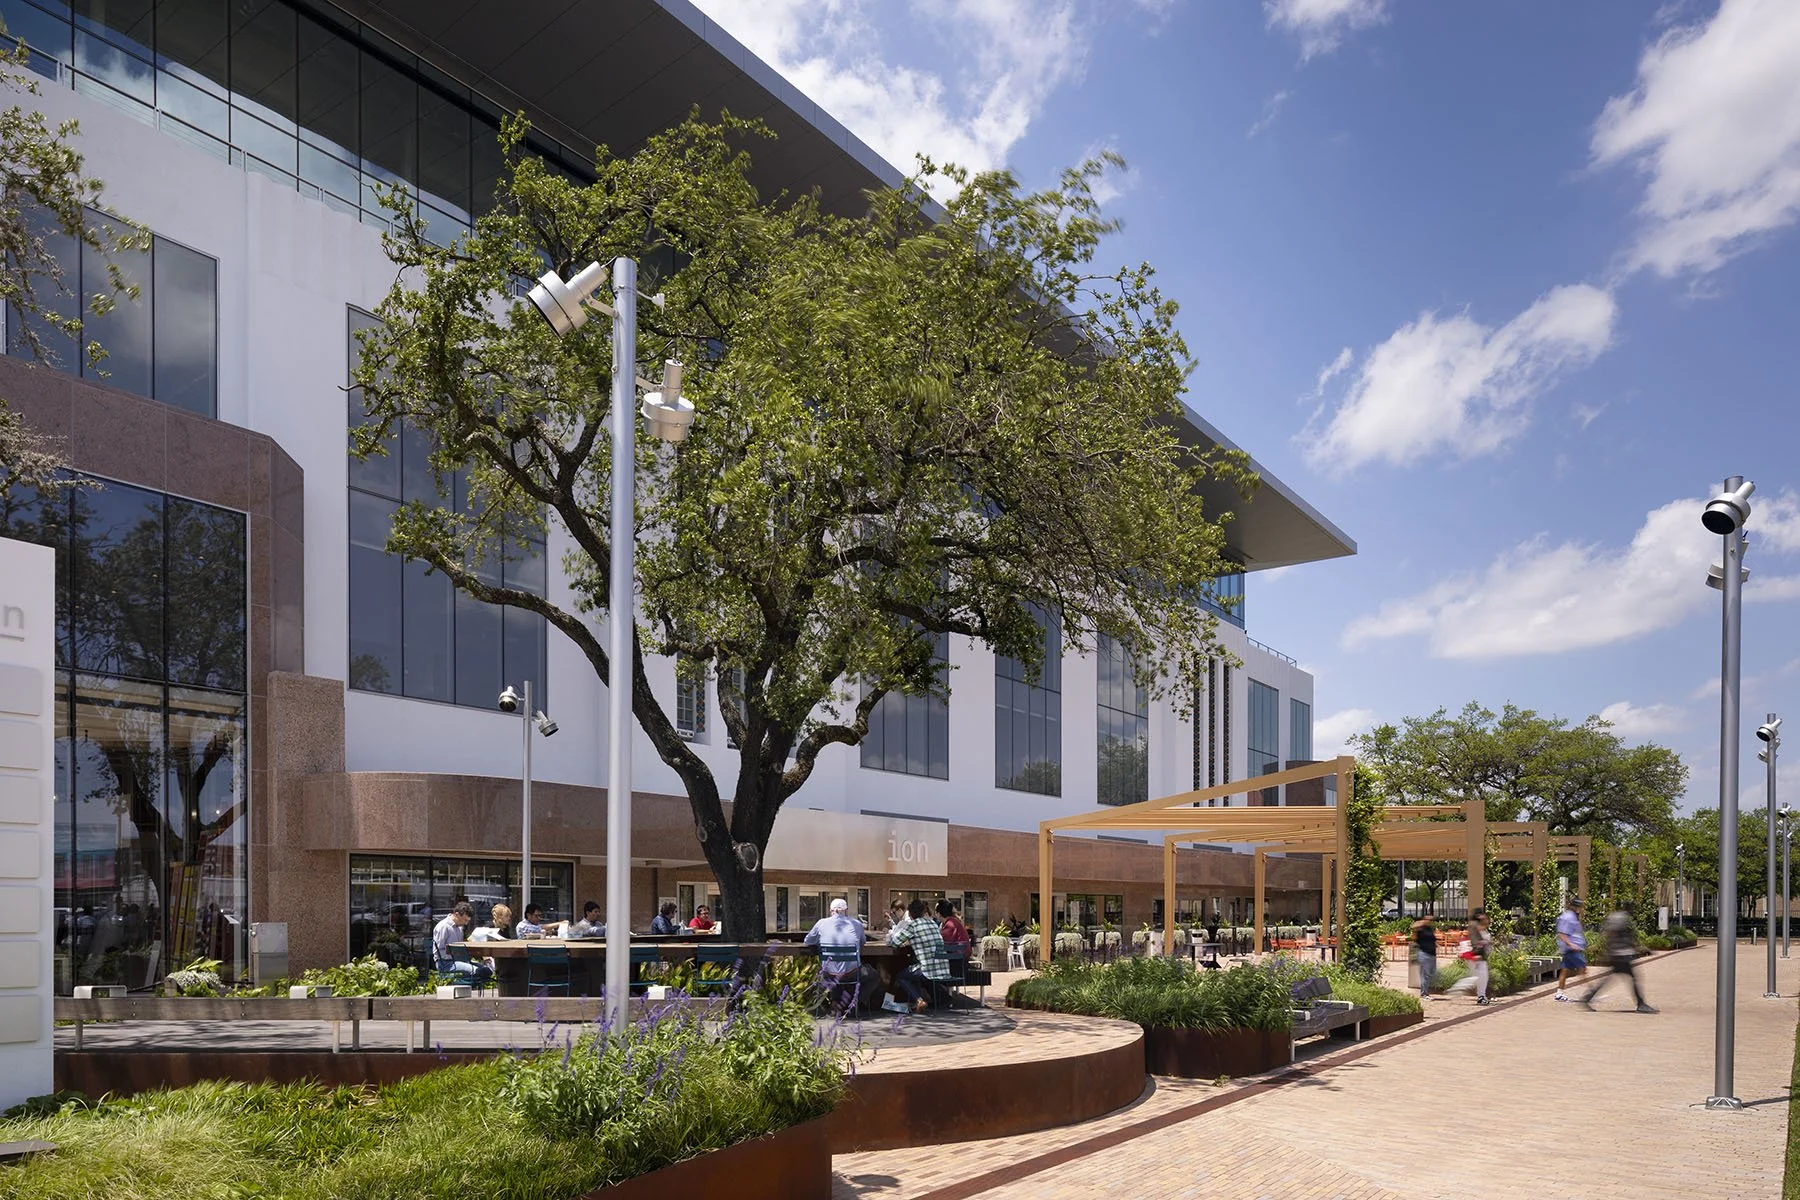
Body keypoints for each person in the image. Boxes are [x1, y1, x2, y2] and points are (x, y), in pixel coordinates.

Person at [1581, 902, 1656, 1013]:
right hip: (1620, 955)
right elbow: (1612, 934)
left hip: (1619, 954)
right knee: (1633, 978)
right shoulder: (1621, 918)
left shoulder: (1618, 917)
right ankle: (1641, 1004)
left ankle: (1587, 998)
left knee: (1609, 979)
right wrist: (1610, 951)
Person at [886, 898, 953, 1013]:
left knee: (901, 976)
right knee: (915, 970)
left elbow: (894, 942)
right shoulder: (932, 923)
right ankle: (938, 999)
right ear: (924, 912)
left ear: (910, 914)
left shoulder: (913, 925)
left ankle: (918, 1000)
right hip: (942, 968)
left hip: (926, 969)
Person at [805, 898, 866, 1010]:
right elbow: (863, 941)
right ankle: (857, 1003)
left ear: (830, 910)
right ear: (846, 910)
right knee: (873, 976)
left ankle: (837, 1004)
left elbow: (808, 941)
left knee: (834, 973)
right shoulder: (857, 924)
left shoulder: (821, 923)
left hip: (828, 973)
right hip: (851, 973)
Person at [431, 902, 493, 985]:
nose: (466, 923)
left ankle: (467, 987)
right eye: (465, 920)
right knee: (477, 971)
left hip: (460, 960)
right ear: (457, 914)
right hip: (446, 963)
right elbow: (439, 950)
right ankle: (463, 987)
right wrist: (456, 955)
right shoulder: (444, 927)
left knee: (487, 970)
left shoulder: (460, 928)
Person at [1555, 897, 1588, 1002]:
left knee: (1565, 971)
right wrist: (1571, 944)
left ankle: (1559, 993)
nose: (1579, 908)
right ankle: (1590, 992)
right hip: (1571, 949)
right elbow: (1562, 933)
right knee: (1582, 968)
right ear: (1573, 906)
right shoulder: (1567, 917)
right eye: (1578, 906)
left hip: (1571, 949)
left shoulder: (1573, 916)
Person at [1467, 908, 1493, 1006]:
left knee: (1481, 977)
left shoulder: (1480, 926)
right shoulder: (1473, 926)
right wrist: (1477, 952)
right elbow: (1475, 940)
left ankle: (1482, 996)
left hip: (1481, 956)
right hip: (1477, 956)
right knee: (1479, 977)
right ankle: (1481, 996)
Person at [1412, 915, 1437, 1001]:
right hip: (1424, 954)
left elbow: (1432, 939)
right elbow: (1413, 927)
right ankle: (1424, 994)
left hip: (1432, 954)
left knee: (1432, 973)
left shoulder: (1429, 929)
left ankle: (1425, 992)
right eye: (1428, 919)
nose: (1430, 921)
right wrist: (1421, 923)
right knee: (1425, 975)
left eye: (1431, 920)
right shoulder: (1419, 928)